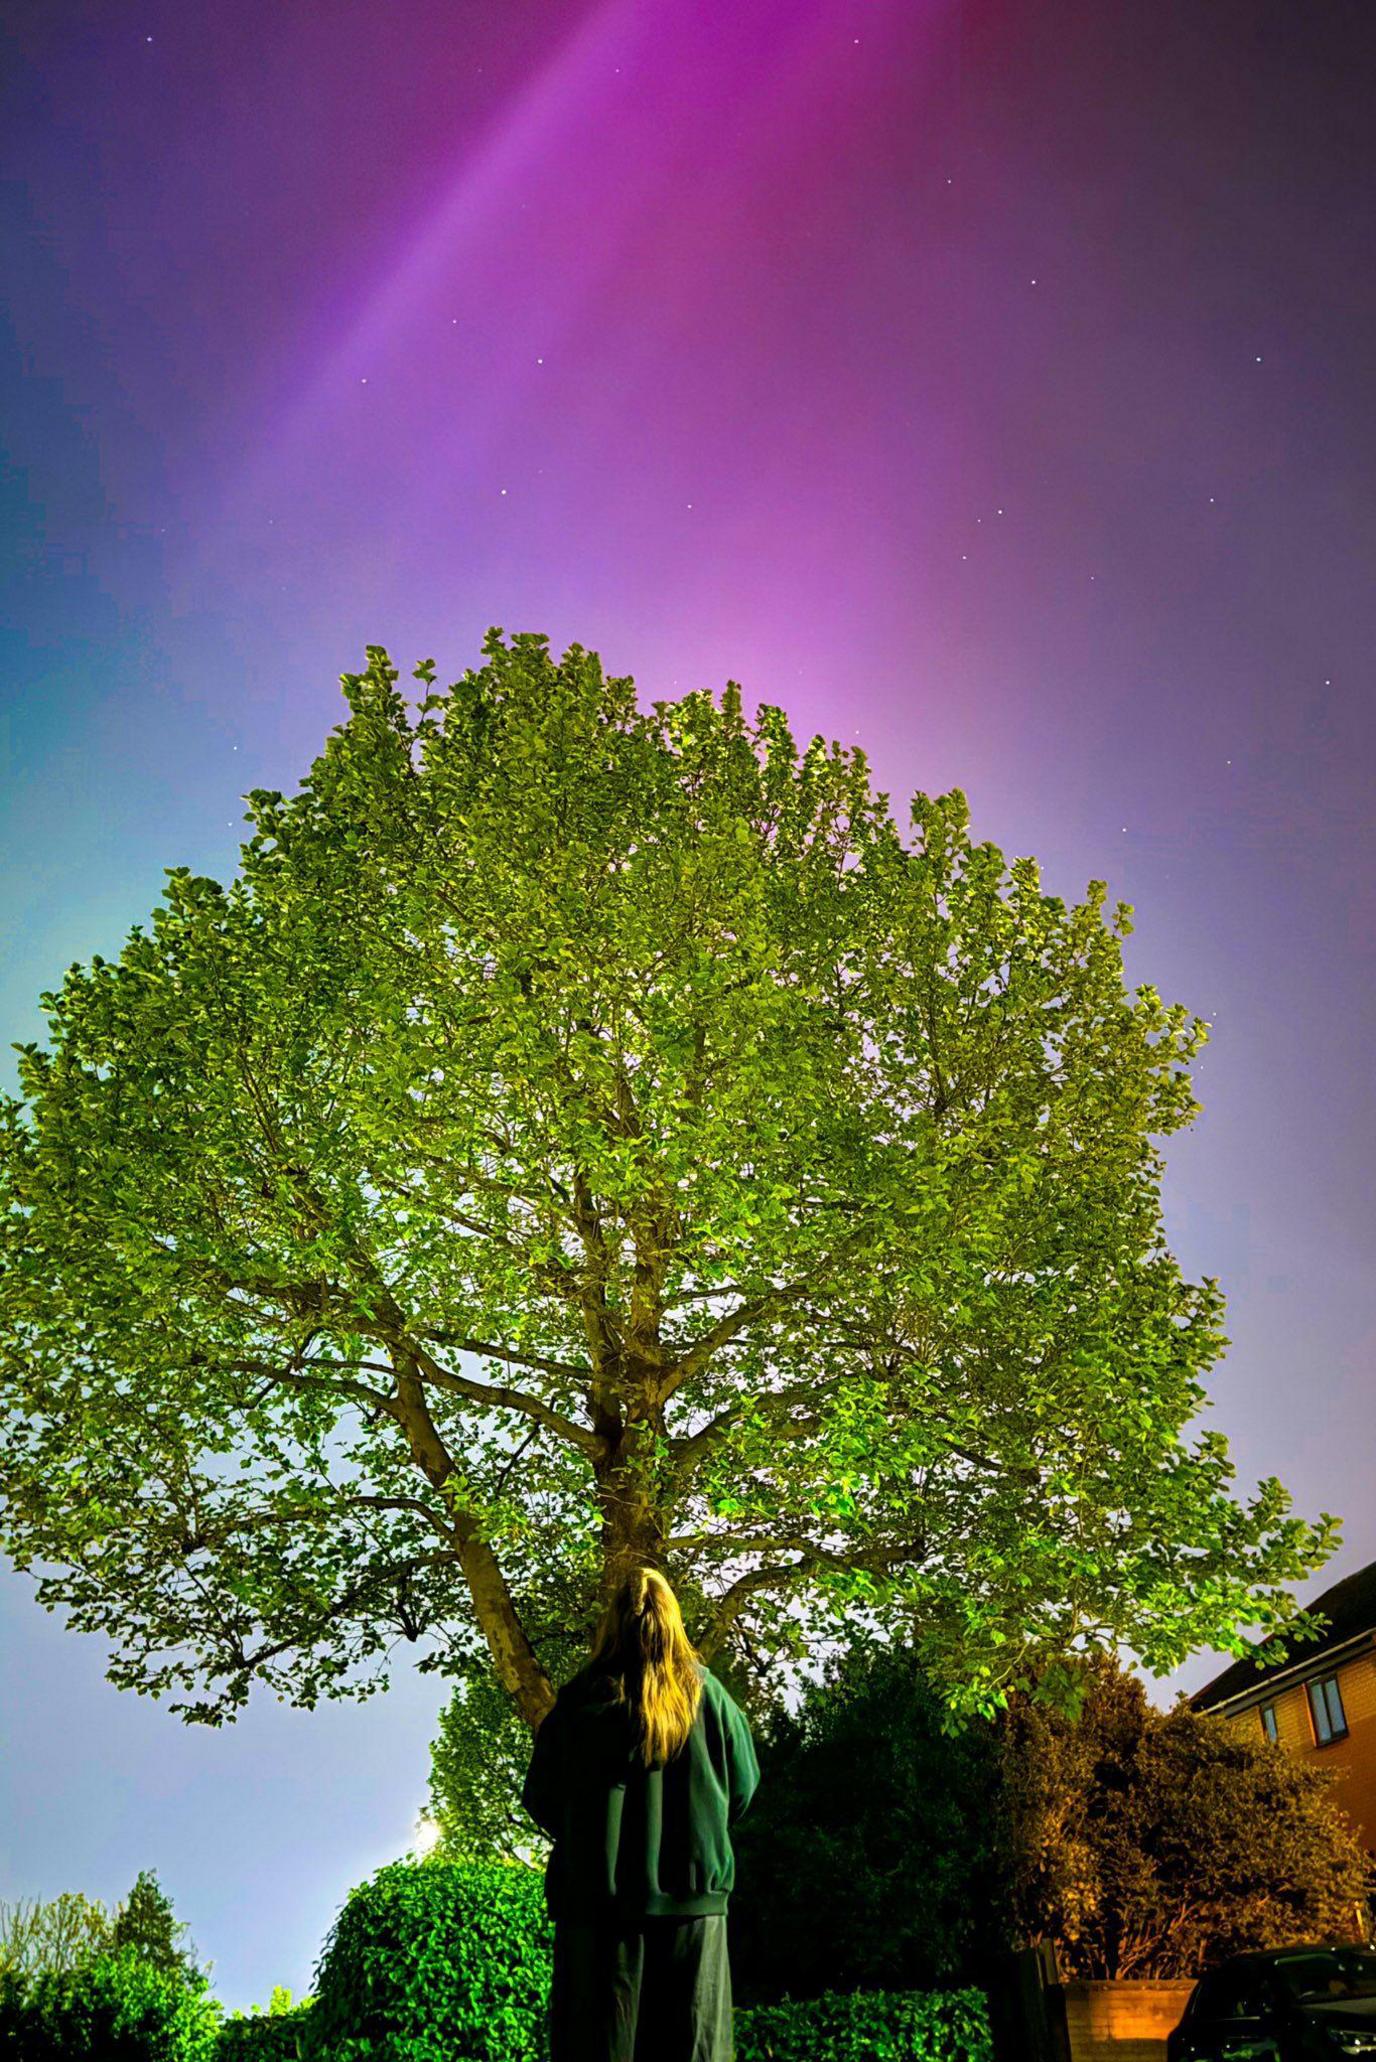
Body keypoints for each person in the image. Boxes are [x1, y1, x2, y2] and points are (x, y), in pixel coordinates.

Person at [520, 1564, 760, 2062]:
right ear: (673, 1617)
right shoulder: (708, 1696)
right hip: (693, 1917)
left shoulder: (579, 1701)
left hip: (597, 1919)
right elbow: (743, 1787)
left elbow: (542, 1799)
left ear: (611, 1623)